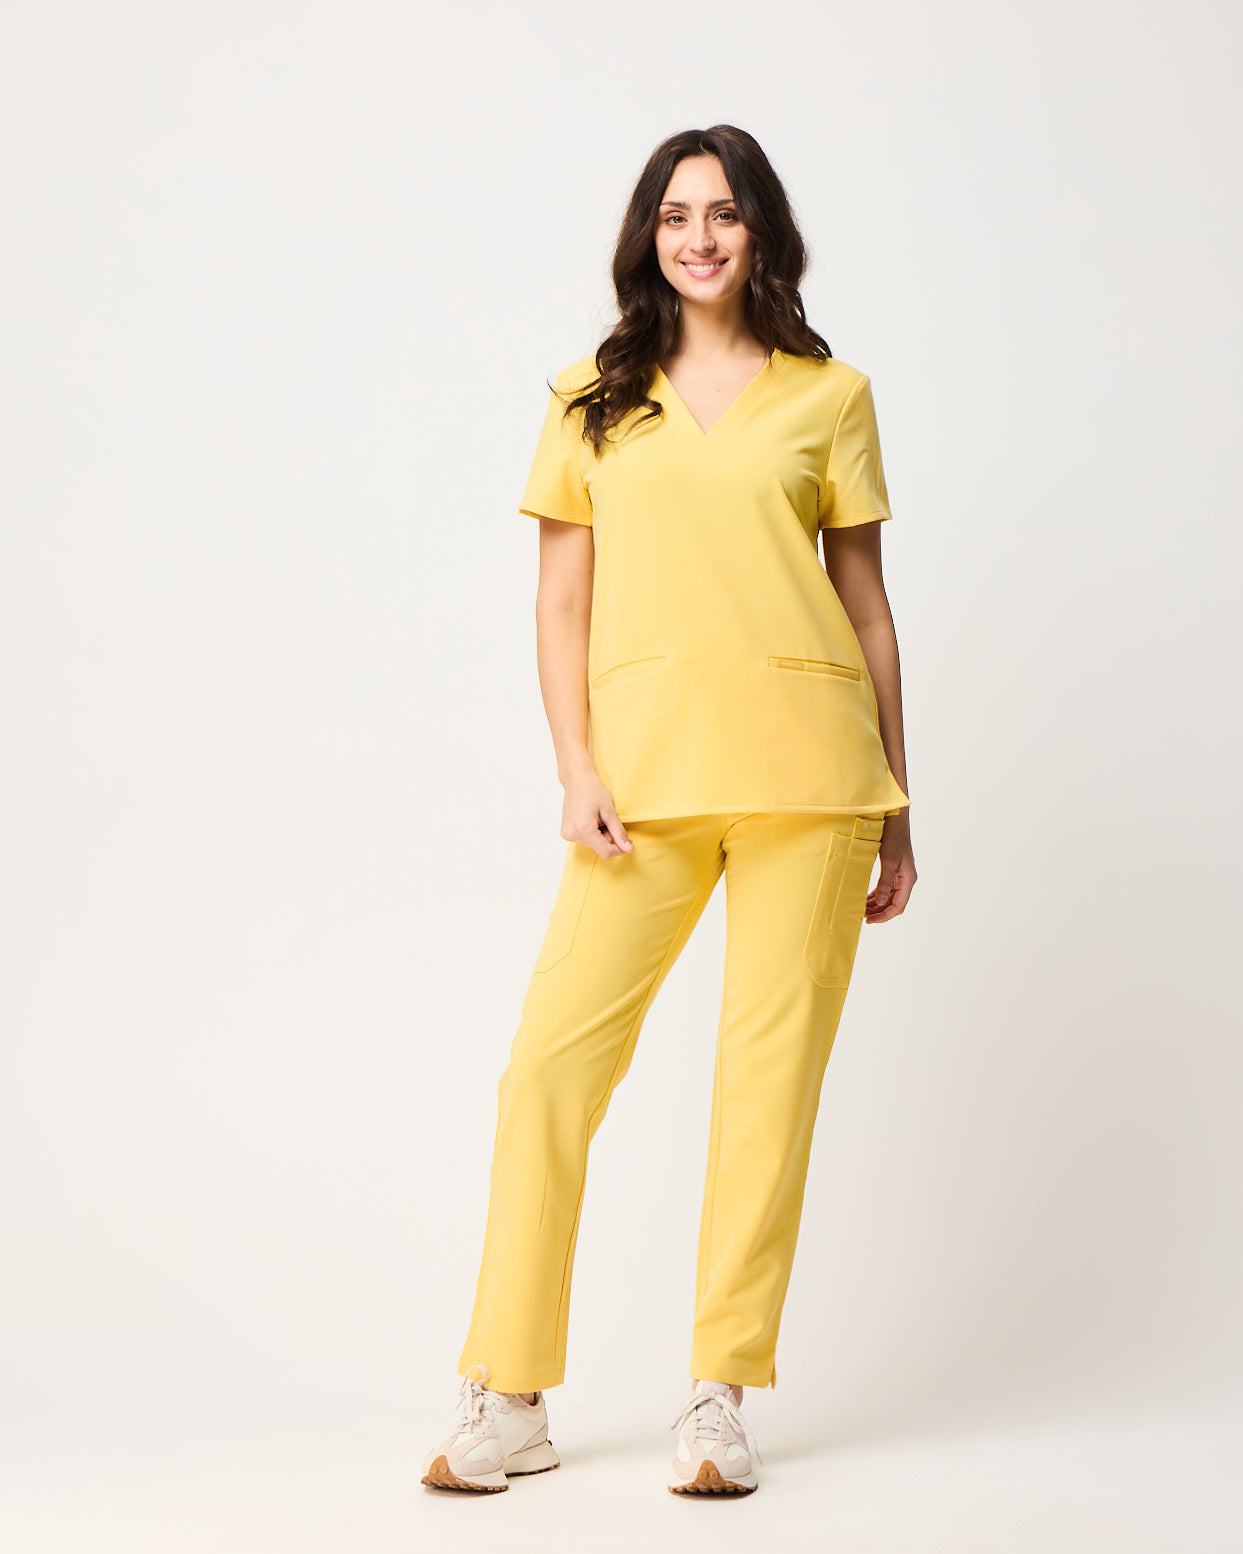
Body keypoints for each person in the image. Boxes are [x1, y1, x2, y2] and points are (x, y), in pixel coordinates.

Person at [421, 123, 916, 1498]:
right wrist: (574, 764)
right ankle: (507, 1391)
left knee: (767, 1085)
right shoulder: (592, 397)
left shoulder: (833, 396)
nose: (701, 236)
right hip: (638, 785)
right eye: (678, 214)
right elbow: (560, 601)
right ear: (650, 234)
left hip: (813, 779)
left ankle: (718, 1394)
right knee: (548, 1068)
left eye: (727, 213)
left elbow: (868, 606)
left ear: (764, 233)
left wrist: (898, 799)